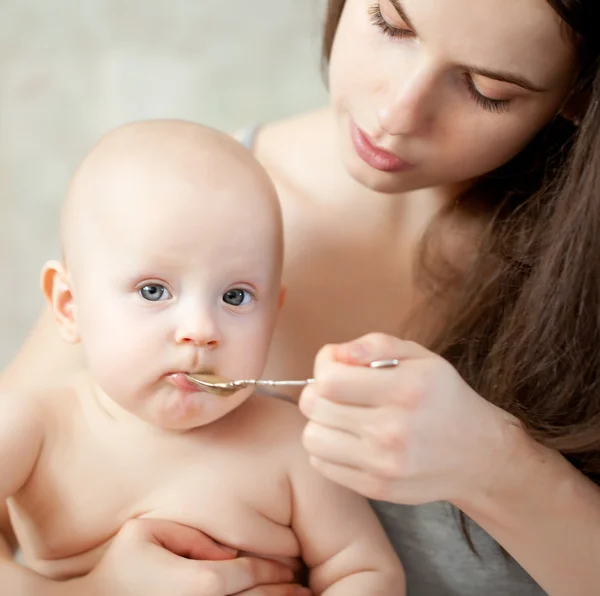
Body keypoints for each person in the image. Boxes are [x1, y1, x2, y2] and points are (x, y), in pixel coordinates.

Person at [2, 0, 600, 593]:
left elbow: (364, 570)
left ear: (578, 95)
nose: (395, 113)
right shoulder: (158, 208)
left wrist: (499, 466)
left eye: (485, 87)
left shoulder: (282, 443)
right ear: (68, 304)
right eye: (389, 23)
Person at [0, 120, 405, 595]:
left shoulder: (292, 444)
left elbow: (366, 572)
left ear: (273, 313)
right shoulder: (32, 426)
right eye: (154, 290)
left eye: (235, 297)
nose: (202, 331)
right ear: (69, 306)